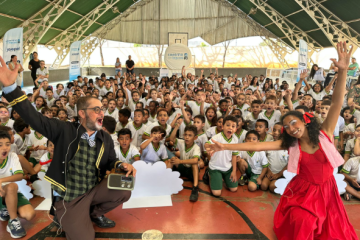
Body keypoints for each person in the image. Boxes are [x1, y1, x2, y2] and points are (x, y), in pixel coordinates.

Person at [205, 42, 357, 240]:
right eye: (286, 127)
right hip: (303, 192)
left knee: (332, 232)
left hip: (327, 191)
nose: (291, 128)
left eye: (293, 122)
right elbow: (256, 145)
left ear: (305, 121)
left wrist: (343, 71)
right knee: (303, 223)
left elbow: (337, 102)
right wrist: (224, 146)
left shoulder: (325, 133)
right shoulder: (291, 144)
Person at [0, 56, 136, 240]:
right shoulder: (63, 130)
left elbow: (112, 161)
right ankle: (63, 215)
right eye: (96, 109)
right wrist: (10, 89)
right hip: (70, 196)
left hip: (93, 190)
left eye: (102, 109)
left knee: (124, 189)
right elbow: (33, 117)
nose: (101, 112)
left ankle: (93, 214)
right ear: (81, 113)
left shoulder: (105, 138)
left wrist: (122, 165)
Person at [0, 131, 36, 238]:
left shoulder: (12, 156)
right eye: (0, 144)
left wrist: (1, 181)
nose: (5, 147)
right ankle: (12, 216)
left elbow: (20, 175)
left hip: (9, 192)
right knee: (12, 186)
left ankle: (11, 218)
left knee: (30, 215)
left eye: (7, 144)